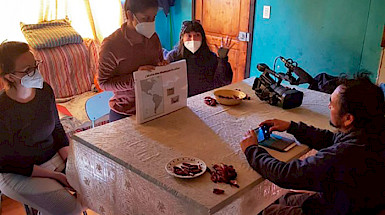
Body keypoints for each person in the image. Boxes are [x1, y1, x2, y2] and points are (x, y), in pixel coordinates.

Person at [240, 73, 385, 215]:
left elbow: (285, 174)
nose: (328, 106)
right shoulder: (371, 132)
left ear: (348, 118)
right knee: (283, 198)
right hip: (350, 201)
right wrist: (292, 127)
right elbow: (332, 139)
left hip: (339, 209)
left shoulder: (346, 154)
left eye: (332, 104)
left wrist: (251, 150)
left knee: (268, 211)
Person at [0, 41, 84, 214]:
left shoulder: (44, 91)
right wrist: (55, 176)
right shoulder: (3, 108)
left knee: (95, 189)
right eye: (28, 70)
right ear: (9, 76)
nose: (36, 72)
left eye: (35, 65)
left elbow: (57, 129)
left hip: (51, 158)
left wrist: (70, 163)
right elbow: (7, 161)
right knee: (68, 208)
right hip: (18, 172)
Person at [98, 0, 167, 122]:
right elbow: (103, 83)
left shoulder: (153, 37)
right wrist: (135, 79)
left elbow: (159, 62)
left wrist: (163, 66)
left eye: (154, 17)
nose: (151, 23)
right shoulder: (111, 45)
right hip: (124, 111)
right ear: (129, 15)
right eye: (145, 18)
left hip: (154, 106)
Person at [165, 20, 233, 97]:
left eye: (197, 35)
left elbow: (223, 82)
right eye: (189, 36)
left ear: (202, 38)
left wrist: (222, 60)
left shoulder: (210, 57)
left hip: (205, 99)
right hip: (181, 100)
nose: (193, 40)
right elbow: (166, 82)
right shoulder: (173, 56)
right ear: (182, 37)